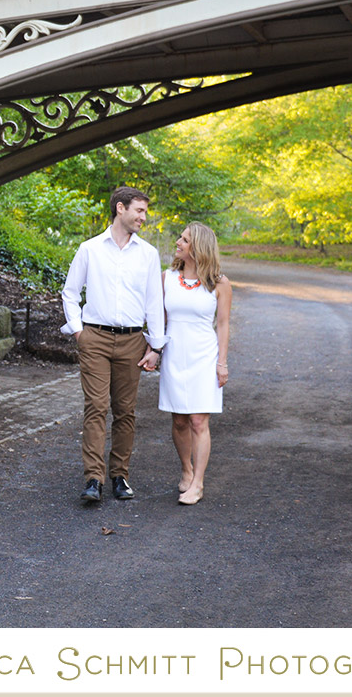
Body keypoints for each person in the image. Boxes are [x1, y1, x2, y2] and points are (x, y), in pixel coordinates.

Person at [61, 186, 166, 503]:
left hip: (133, 341)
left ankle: (120, 476)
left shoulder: (148, 254)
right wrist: (80, 333)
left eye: (145, 212)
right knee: (96, 408)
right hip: (95, 338)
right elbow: (70, 292)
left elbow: (153, 302)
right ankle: (93, 479)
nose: (143, 218)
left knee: (125, 412)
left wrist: (156, 347)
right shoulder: (90, 249)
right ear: (120, 209)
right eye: (139, 211)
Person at [155, 221, 232, 506]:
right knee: (178, 419)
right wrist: (154, 349)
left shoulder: (220, 283)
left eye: (185, 239)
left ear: (198, 247)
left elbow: (222, 325)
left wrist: (222, 363)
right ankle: (186, 470)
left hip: (203, 355)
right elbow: (158, 318)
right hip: (175, 354)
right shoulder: (167, 278)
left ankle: (198, 483)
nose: (178, 242)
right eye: (180, 238)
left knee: (199, 420)